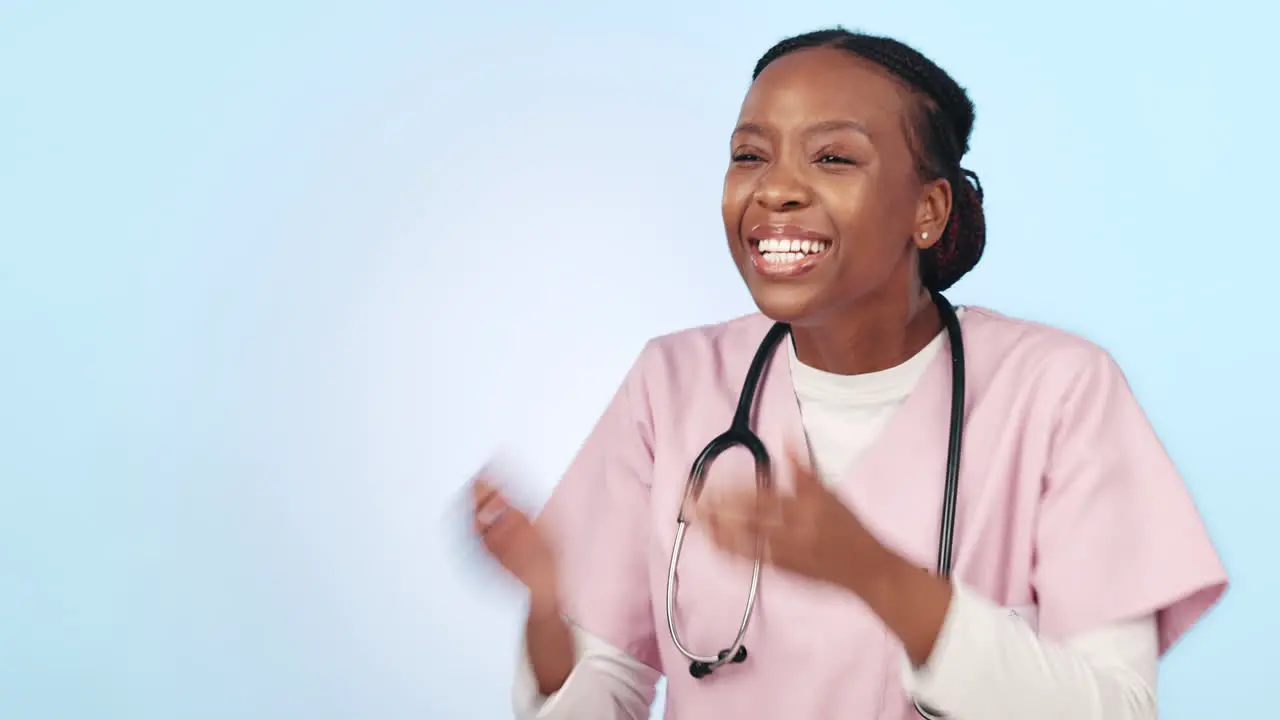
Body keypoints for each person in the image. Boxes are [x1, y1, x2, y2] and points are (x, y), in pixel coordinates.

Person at [468, 27, 1227, 720]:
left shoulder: (1057, 391)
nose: (776, 189)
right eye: (750, 155)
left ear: (926, 211)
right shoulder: (674, 384)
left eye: (832, 157)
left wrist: (881, 579)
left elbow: (1118, 710)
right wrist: (544, 609)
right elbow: (604, 690)